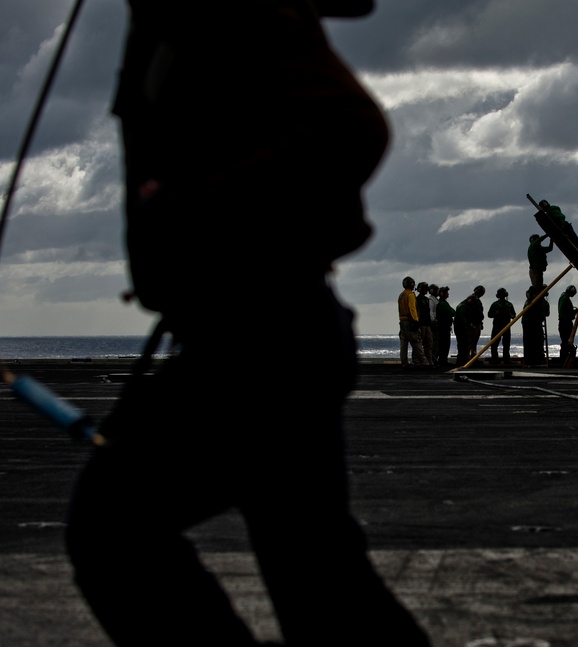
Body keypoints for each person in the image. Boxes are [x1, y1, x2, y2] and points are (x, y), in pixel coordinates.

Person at [65, 2, 431, 646]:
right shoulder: (168, 22)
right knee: (320, 582)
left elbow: (351, 126)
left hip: (261, 338)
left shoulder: (224, 7)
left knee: (112, 527)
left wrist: (201, 210)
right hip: (262, 334)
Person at [398, 276, 430, 369]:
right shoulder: (410, 295)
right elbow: (412, 308)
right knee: (417, 342)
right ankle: (424, 363)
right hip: (410, 321)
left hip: (402, 321)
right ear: (411, 284)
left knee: (403, 344)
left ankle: (404, 363)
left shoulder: (401, 295)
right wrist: (416, 320)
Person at [522, 285, 550, 365]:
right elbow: (546, 313)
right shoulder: (533, 301)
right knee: (532, 342)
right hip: (530, 323)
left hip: (533, 323)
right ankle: (533, 359)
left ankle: (535, 359)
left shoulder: (539, 302)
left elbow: (546, 313)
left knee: (536, 341)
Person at [488, 287, 516, 363]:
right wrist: (495, 313)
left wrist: (510, 314)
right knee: (494, 344)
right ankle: (495, 359)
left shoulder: (509, 305)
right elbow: (489, 315)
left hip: (506, 326)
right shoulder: (495, 305)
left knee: (506, 344)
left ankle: (506, 359)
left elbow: (514, 315)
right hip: (497, 326)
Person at [415, 281, 436, 367]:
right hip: (421, 324)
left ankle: (428, 361)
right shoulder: (418, 300)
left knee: (429, 343)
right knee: (419, 344)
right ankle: (416, 361)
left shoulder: (426, 300)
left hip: (426, 324)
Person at [558, 285, 578, 363]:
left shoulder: (565, 298)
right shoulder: (564, 298)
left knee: (566, 342)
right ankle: (564, 360)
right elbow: (563, 311)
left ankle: (564, 360)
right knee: (566, 342)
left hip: (565, 322)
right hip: (565, 323)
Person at [436, 285, 455, 365]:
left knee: (443, 344)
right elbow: (452, 312)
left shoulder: (443, 303)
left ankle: (443, 360)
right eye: (446, 293)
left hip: (444, 326)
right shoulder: (443, 304)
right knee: (444, 344)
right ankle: (443, 360)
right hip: (444, 327)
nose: (448, 294)